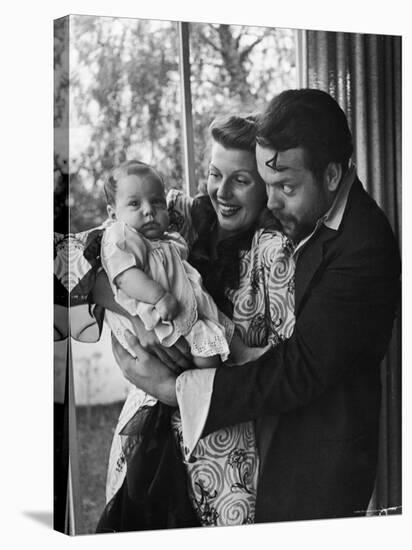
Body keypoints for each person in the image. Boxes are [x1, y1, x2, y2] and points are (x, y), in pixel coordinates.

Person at [112, 89, 401, 523]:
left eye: (284, 186)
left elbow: (298, 368)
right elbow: (119, 245)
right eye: (266, 184)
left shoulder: (364, 247)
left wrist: (173, 390)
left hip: (310, 465)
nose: (272, 200)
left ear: (332, 175)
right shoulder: (202, 224)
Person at [94, 114, 296, 529]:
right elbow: (90, 256)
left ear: (266, 186)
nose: (222, 192)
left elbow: (286, 371)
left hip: (220, 455)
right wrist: (130, 311)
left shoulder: (274, 252)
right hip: (146, 430)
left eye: (241, 180)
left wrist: (169, 388)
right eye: (214, 174)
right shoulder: (183, 215)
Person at [100, 159, 231, 368]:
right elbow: (125, 276)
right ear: (113, 214)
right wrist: (159, 296)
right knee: (203, 360)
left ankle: (204, 387)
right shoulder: (122, 237)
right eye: (135, 203)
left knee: (210, 354)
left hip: (185, 312)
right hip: (159, 315)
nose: (148, 210)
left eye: (157, 202)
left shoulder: (169, 240)